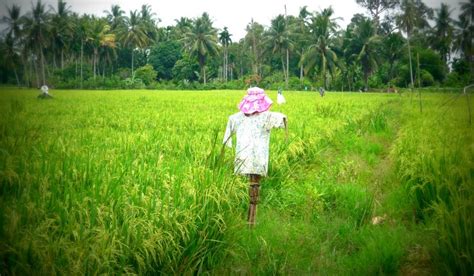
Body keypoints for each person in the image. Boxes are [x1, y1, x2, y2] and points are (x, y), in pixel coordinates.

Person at [223, 87, 288, 226]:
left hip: (243, 158)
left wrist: (227, 144)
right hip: (258, 158)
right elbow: (282, 119)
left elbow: (228, 132)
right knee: (254, 186)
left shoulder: (236, 117)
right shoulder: (266, 116)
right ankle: (251, 219)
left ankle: (250, 218)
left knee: (251, 185)